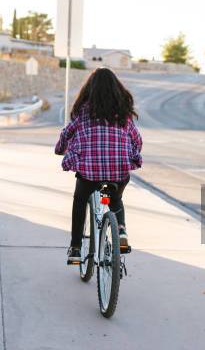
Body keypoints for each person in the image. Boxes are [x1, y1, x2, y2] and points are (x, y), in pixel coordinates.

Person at [55, 68, 143, 263]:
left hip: (89, 173)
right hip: (118, 171)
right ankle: (120, 231)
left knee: (80, 200)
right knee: (115, 198)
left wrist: (60, 149)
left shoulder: (84, 112)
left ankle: (76, 248)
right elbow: (137, 140)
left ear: (90, 90)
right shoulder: (123, 114)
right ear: (117, 90)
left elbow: (66, 134)